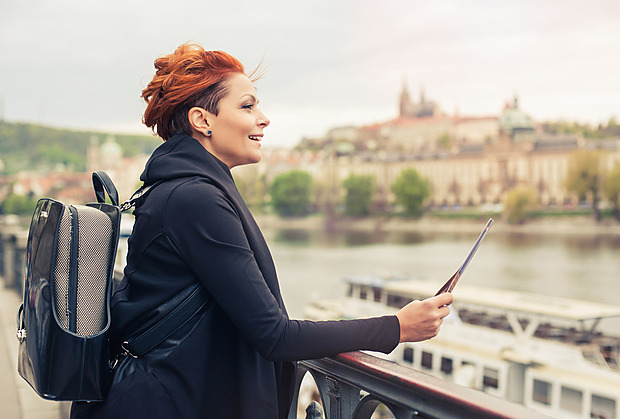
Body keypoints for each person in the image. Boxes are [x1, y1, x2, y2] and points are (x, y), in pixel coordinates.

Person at [71, 42, 453, 419]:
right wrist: (397, 327)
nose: (264, 118)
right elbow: (275, 334)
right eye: (248, 106)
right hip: (163, 404)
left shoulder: (180, 187)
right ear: (202, 121)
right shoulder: (195, 199)